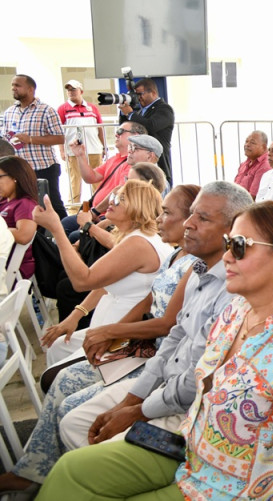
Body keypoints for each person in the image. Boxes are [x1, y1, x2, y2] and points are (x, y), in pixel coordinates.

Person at [37, 200, 273, 501]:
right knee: (70, 471)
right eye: (228, 244)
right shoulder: (239, 309)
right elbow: (201, 373)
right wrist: (140, 409)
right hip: (187, 451)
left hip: (233, 489)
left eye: (239, 246)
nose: (227, 256)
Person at [0, 185, 200, 496]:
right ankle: (37, 471)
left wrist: (110, 333)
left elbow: (167, 323)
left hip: (152, 354)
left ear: (191, 221)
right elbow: (146, 299)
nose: (161, 218)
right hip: (140, 344)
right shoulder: (176, 253)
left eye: (168, 212)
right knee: (62, 378)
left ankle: (60, 474)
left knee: (68, 396)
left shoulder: (187, 261)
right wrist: (107, 330)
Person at [56, 182, 252, 454]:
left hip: (189, 406)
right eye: (191, 214)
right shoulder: (197, 268)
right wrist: (133, 398)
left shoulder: (234, 289)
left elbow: (197, 375)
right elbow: (174, 337)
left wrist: (138, 410)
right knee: (73, 421)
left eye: (202, 218)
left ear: (234, 232)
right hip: (162, 376)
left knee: (81, 445)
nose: (189, 224)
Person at [35, 179, 173, 366]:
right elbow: (107, 284)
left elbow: (83, 281)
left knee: (54, 371)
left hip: (120, 339)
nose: (111, 201)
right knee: (57, 347)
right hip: (106, 328)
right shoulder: (135, 238)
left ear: (137, 207)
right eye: (114, 196)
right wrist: (75, 316)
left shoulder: (139, 243)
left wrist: (57, 229)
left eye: (120, 198)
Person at [60, 121, 145, 241]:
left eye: (120, 132)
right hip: (96, 212)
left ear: (135, 135)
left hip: (108, 215)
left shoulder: (134, 164)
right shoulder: (114, 159)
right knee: (65, 224)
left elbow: (120, 192)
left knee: (75, 235)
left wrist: (94, 212)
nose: (116, 134)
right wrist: (80, 155)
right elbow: (90, 177)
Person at [1, 74, 66, 218]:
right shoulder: (9, 112)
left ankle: (66, 235)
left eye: (17, 85)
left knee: (52, 204)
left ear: (31, 89)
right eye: (12, 85)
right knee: (26, 207)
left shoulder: (46, 110)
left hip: (44, 167)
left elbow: (60, 137)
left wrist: (30, 139)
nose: (13, 88)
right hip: (19, 170)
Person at [58, 80, 105, 211]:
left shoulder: (92, 108)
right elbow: (59, 131)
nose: (71, 92)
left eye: (73, 89)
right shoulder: (63, 108)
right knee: (75, 181)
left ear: (81, 91)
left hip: (94, 149)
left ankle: (98, 207)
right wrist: (62, 151)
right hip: (73, 151)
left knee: (97, 180)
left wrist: (104, 146)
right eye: (68, 90)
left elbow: (100, 129)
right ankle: (73, 211)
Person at [117, 78, 175, 185]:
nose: (138, 98)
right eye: (136, 95)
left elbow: (151, 126)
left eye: (140, 94)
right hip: (139, 160)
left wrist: (130, 114)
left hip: (156, 159)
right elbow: (126, 127)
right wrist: (123, 113)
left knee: (157, 187)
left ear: (153, 93)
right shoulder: (139, 112)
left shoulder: (164, 109)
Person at [0, 156, 38, 278]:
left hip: (12, 266)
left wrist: (2, 231)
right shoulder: (5, 201)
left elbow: (24, 236)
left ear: (15, 177)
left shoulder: (25, 204)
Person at [233, 130, 270, 199]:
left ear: (264, 147)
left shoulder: (265, 166)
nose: (247, 145)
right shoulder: (244, 164)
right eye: (246, 141)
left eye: (252, 142)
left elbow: (253, 197)